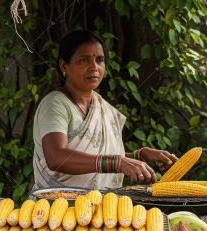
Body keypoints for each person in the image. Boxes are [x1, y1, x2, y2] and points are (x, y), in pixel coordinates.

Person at [32, 30, 178, 191]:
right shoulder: (55, 104)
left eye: (100, 60)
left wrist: (140, 156)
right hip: (56, 209)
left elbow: (99, 155)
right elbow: (57, 157)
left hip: (100, 208)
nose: (94, 67)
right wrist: (119, 163)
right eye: (84, 60)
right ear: (64, 65)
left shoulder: (102, 106)